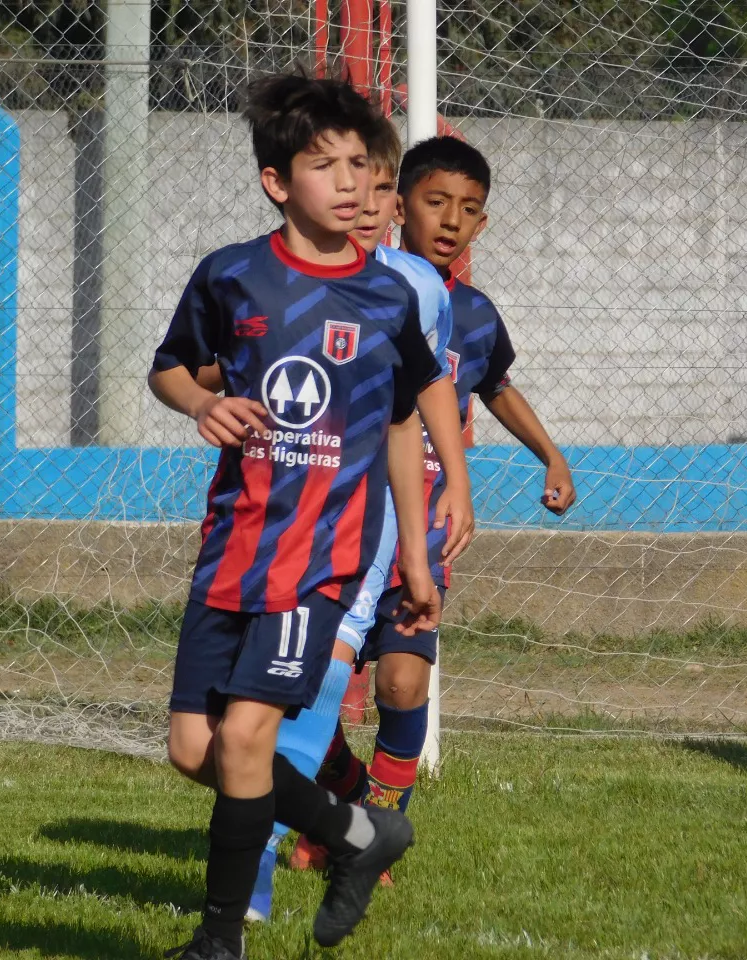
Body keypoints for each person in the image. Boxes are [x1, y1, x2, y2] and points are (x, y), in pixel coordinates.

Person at [148, 73, 445, 959]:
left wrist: (420, 555)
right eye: (326, 165)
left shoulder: (388, 297)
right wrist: (198, 407)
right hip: (232, 550)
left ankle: (218, 943)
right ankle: (358, 833)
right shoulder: (232, 276)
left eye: (361, 163)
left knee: (246, 736)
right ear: (278, 183)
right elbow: (170, 367)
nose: (352, 182)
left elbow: (405, 418)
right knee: (195, 750)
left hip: (320, 563)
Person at [293, 134, 578, 874]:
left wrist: (549, 454)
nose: (451, 220)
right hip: (342, 519)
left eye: (470, 210)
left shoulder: (474, 316)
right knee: (304, 686)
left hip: (423, 526)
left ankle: (371, 837)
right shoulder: (355, 293)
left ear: (483, 225)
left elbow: (497, 387)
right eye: (435, 201)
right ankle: (346, 808)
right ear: (396, 206)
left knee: (401, 681)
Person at [244, 116, 474, 921]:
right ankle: (346, 827)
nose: (371, 202)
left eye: (382, 186)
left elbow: (420, 399)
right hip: (286, 513)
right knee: (245, 706)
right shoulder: (274, 275)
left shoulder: (415, 287)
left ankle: (258, 878)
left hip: (368, 518)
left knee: (316, 684)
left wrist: (456, 486)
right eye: (362, 184)